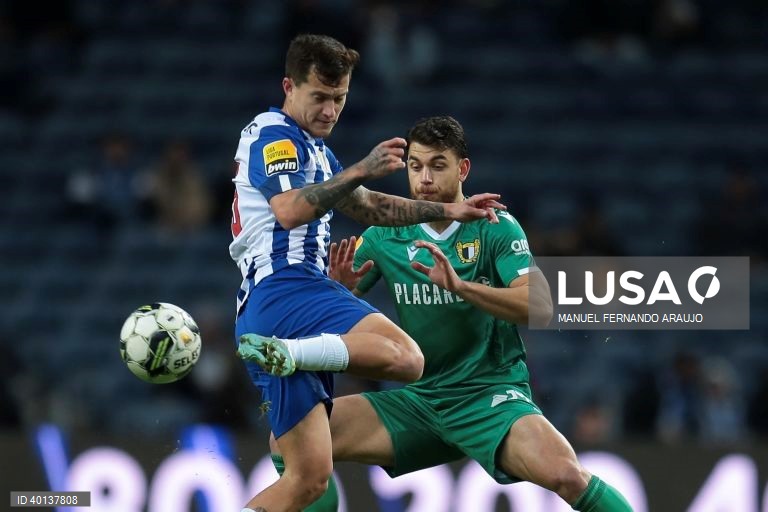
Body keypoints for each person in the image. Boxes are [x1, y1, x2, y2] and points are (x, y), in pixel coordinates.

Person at [231, 36, 505, 512]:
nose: (329, 110)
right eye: (318, 97)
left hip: (274, 311)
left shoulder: (317, 153)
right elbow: (291, 211)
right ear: (288, 87)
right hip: (286, 288)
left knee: (308, 481)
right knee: (407, 358)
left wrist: (450, 209)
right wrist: (361, 168)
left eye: (339, 99)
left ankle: (289, 354)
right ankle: (292, 353)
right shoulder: (274, 136)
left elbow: (371, 207)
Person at [322, 116, 634, 511]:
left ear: (462, 169)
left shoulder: (494, 227)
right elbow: (336, 308)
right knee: (295, 439)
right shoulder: (386, 233)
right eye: (415, 166)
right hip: (421, 401)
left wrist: (462, 287)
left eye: (438, 165)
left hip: (487, 396)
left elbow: (538, 305)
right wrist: (338, 288)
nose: (425, 179)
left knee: (566, 475)